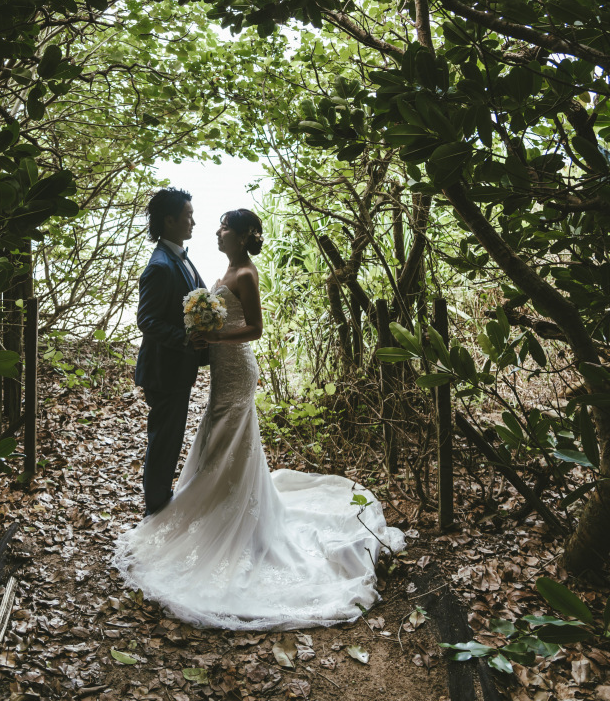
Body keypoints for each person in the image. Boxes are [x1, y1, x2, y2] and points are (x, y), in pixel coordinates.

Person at [114, 207, 405, 631]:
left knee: (229, 438)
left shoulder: (246, 274)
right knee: (220, 440)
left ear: (245, 234)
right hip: (220, 369)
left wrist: (212, 335)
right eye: (218, 224)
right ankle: (216, 504)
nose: (216, 229)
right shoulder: (225, 267)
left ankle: (230, 514)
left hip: (236, 369)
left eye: (225, 226)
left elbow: (255, 329)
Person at [134, 187, 209, 517]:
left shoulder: (179, 255)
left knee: (168, 441)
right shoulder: (160, 266)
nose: (193, 221)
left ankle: (159, 505)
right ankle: (155, 512)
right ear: (170, 220)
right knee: (164, 445)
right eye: (188, 216)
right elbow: (146, 320)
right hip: (164, 372)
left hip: (176, 370)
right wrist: (185, 339)